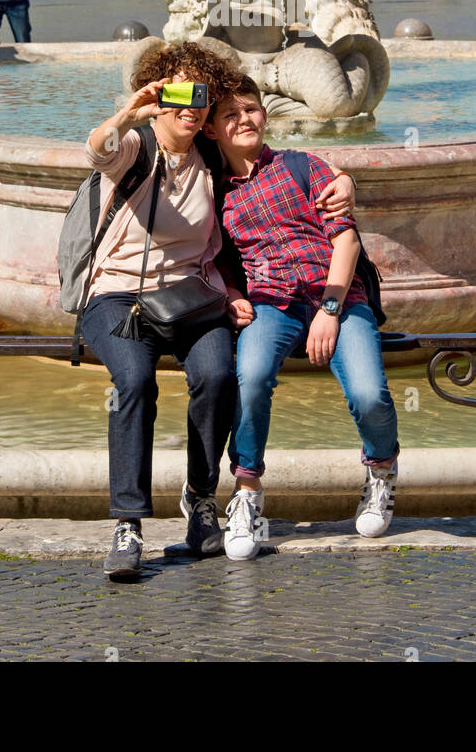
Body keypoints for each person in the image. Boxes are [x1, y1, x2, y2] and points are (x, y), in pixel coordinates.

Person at [79, 43, 355, 580]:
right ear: (158, 93)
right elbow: (96, 150)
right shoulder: (135, 146)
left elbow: (283, 163)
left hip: (192, 296)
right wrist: (131, 111)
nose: (190, 106)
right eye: (177, 92)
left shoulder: (210, 160)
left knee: (217, 374)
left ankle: (201, 501)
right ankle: (128, 524)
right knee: (134, 382)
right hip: (118, 295)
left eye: (200, 94)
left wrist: (344, 180)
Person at [204, 75, 399, 560]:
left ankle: (381, 472)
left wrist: (330, 311)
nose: (244, 119)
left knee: (369, 394)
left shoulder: (302, 165)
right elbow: (218, 261)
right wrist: (230, 293)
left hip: (337, 298)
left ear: (265, 115)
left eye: (250, 109)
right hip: (271, 304)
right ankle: (247, 493)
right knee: (249, 377)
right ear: (212, 131)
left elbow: (346, 240)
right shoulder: (215, 194)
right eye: (230, 114)